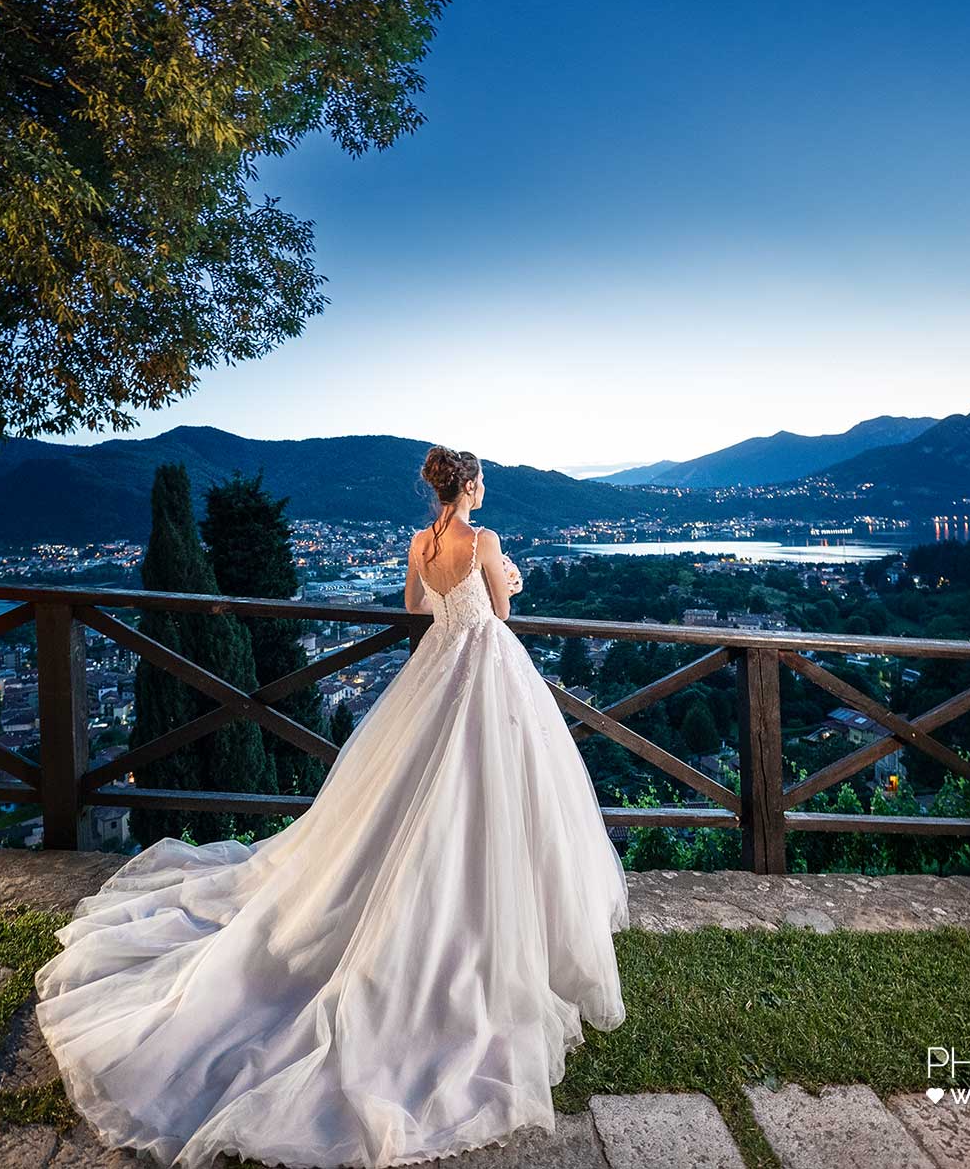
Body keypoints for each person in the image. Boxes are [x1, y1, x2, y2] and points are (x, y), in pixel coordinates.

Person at [34, 446, 628, 1168]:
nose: (483, 490)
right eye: (482, 482)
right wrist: (509, 577)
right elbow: (501, 611)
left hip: (438, 667)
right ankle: (490, 913)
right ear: (468, 486)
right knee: (491, 794)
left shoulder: (421, 541)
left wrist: (458, 595)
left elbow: (416, 606)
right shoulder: (484, 540)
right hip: (487, 670)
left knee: (408, 794)